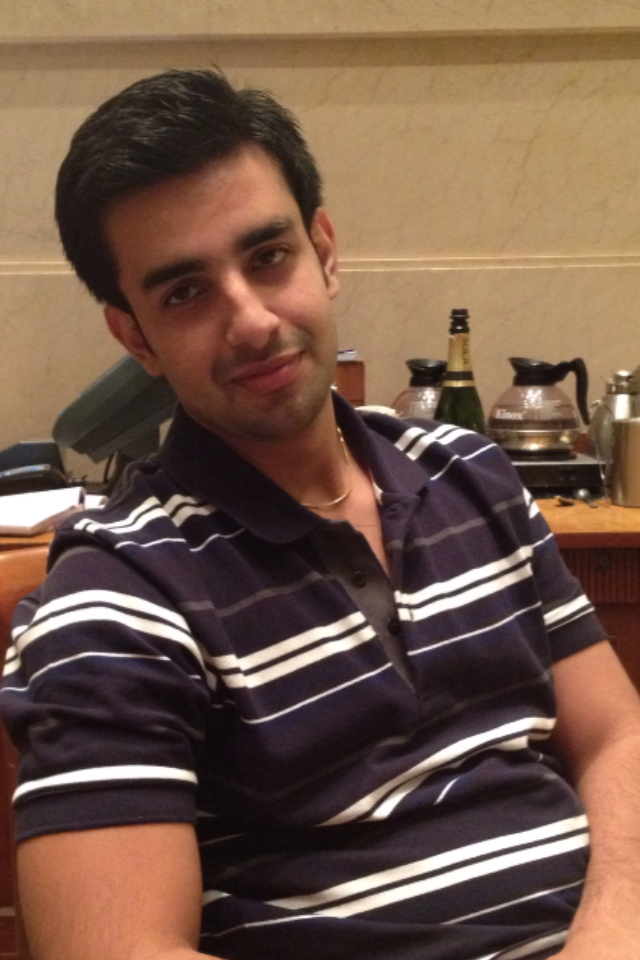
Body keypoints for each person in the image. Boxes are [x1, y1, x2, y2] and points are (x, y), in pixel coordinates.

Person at [2, 69, 640, 960]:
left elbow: (617, 736)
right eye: (185, 292)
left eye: (268, 256)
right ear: (135, 336)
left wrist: (612, 930)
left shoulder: (470, 475)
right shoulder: (119, 599)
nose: (252, 320)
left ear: (324, 249)